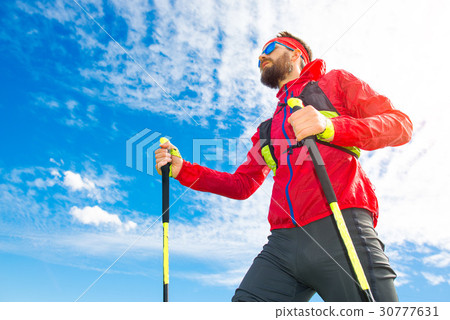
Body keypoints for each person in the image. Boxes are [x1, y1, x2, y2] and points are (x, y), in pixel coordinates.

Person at [154, 31, 413, 302]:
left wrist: (330, 126)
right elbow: (241, 185)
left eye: (271, 48)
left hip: (340, 226)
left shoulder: (335, 82)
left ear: (296, 54)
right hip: (282, 246)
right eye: (259, 55)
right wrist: (183, 169)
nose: (261, 56)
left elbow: (400, 125)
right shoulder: (266, 129)